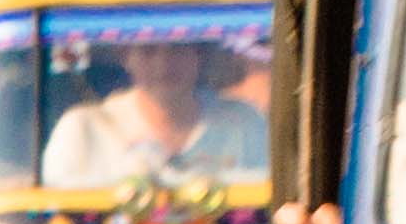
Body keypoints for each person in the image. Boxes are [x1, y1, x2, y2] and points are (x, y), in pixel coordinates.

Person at [39, 24, 270, 191]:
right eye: (148, 51)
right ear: (126, 58)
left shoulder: (245, 123)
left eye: (177, 49)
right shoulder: (81, 128)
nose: (163, 64)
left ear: (198, 55)